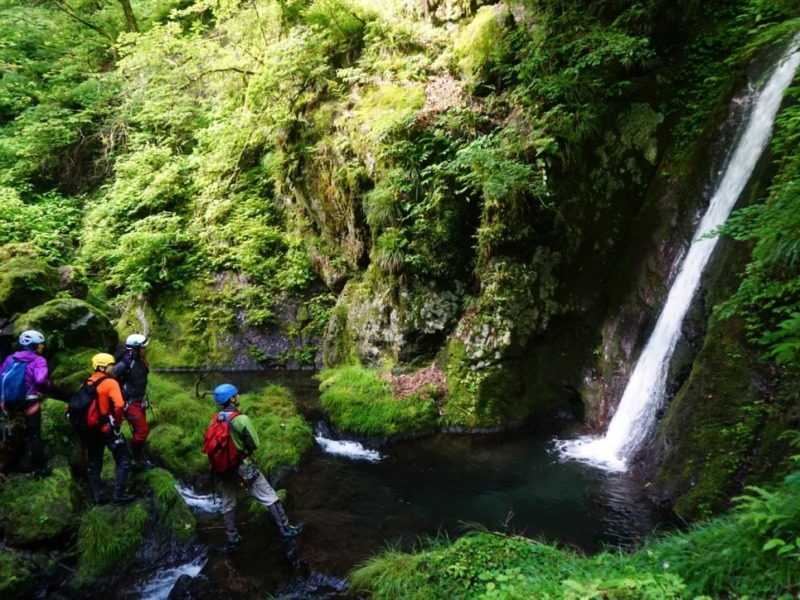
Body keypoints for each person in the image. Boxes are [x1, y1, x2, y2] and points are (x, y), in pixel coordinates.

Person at [211, 383, 303, 548]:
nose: (239, 396)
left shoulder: (216, 419)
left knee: (228, 502)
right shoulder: (242, 419)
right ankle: (286, 529)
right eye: (236, 394)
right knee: (269, 496)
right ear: (231, 399)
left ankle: (232, 538)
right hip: (243, 466)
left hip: (224, 469)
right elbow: (254, 444)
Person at [78, 353, 135, 506]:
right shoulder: (110, 383)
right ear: (102, 367)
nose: (114, 367)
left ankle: (97, 496)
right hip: (105, 428)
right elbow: (119, 405)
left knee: (95, 460)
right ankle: (119, 494)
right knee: (124, 458)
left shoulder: (87, 382)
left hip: (89, 429)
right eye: (111, 365)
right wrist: (116, 423)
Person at [0, 330, 51, 477]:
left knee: (12, 431)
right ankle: (39, 469)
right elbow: (41, 380)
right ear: (34, 346)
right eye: (40, 345)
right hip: (30, 402)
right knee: (34, 435)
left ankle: (11, 464)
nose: (42, 347)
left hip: (9, 402)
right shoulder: (38, 360)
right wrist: (48, 386)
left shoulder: (11, 358)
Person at [114, 334, 153, 471]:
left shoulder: (142, 360)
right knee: (143, 431)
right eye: (143, 347)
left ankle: (138, 456)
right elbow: (112, 381)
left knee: (139, 430)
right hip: (130, 403)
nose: (146, 349)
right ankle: (131, 454)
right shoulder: (124, 364)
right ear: (135, 349)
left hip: (139, 400)